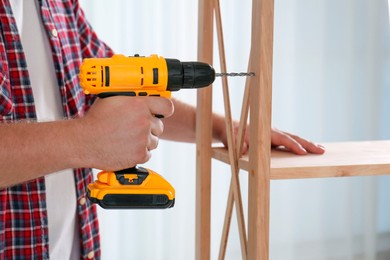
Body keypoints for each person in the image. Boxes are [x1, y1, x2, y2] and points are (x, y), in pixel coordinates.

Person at [0, 1, 325, 259]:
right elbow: (98, 122)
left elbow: (115, 84)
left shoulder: (57, 4)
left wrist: (225, 127)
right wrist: (88, 139)